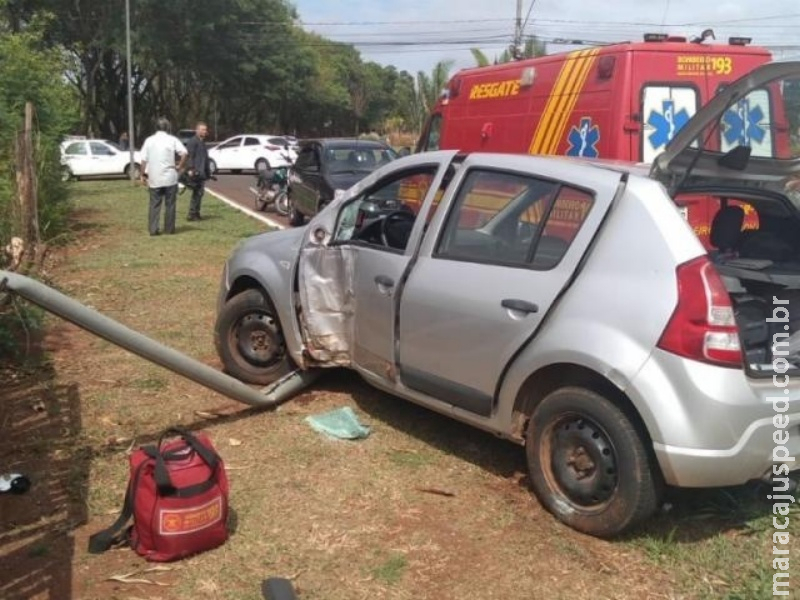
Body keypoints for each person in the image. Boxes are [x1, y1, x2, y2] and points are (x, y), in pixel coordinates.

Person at [139, 117, 187, 236]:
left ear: (156, 127)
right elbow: (185, 153)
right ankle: (169, 229)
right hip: (170, 177)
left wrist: (142, 174)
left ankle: (153, 229)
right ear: (167, 128)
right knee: (170, 204)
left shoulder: (149, 140)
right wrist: (179, 166)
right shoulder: (172, 139)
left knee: (154, 204)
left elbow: (143, 160)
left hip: (155, 178)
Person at [184, 122, 210, 221]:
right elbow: (190, 156)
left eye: (205, 130)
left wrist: (207, 172)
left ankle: (196, 212)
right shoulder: (193, 141)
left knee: (199, 193)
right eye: (203, 129)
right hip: (195, 172)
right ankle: (192, 214)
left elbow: (204, 158)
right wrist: (191, 169)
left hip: (201, 172)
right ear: (197, 130)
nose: (205, 131)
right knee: (197, 192)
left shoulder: (202, 142)